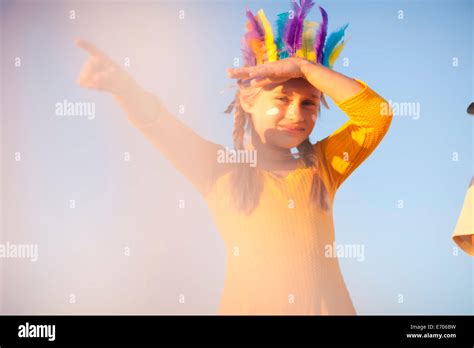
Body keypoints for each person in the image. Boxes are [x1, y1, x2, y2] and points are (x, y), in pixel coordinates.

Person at [75, 1, 394, 314]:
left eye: (309, 103)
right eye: (282, 99)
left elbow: (376, 116)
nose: (296, 114)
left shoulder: (323, 167)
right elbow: (158, 123)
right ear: (247, 100)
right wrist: (124, 89)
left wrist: (305, 68)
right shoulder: (218, 170)